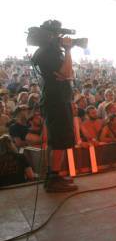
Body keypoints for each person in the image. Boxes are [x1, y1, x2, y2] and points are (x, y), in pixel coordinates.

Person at [30, 20, 78, 192]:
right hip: (56, 101)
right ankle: (53, 179)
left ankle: (55, 175)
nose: (60, 37)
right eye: (58, 34)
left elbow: (67, 74)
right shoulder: (48, 52)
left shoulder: (47, 51)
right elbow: (67, 72)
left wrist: (66, 74)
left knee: (60, 140)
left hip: (58, 99)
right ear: (51, 34)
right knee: (60, 140)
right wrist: (68, 51)